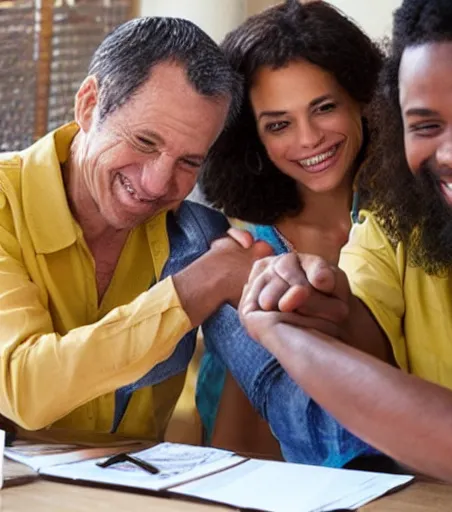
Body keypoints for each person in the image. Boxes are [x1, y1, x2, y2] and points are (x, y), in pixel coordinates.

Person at [205, 0, 452, 507]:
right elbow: (352, 324)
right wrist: (293, 310)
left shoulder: (377, 212)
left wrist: (278, 330)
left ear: (365, 105)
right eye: (427, 124)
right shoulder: (387, 228)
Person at [0, 17, 271, 441]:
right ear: (89, 105)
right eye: (145, 142)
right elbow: (25, 385)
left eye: (188, 162)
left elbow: (274, 387)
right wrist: (195, 288)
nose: (157, 185)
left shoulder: (201, 239)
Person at [196, 0, 382, 459]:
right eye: (278, 124)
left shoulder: (414, 221)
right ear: (252, 136)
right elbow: (242, 451)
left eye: (323, 107)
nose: (308, 139)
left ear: (363, 97)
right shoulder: (254, 254)